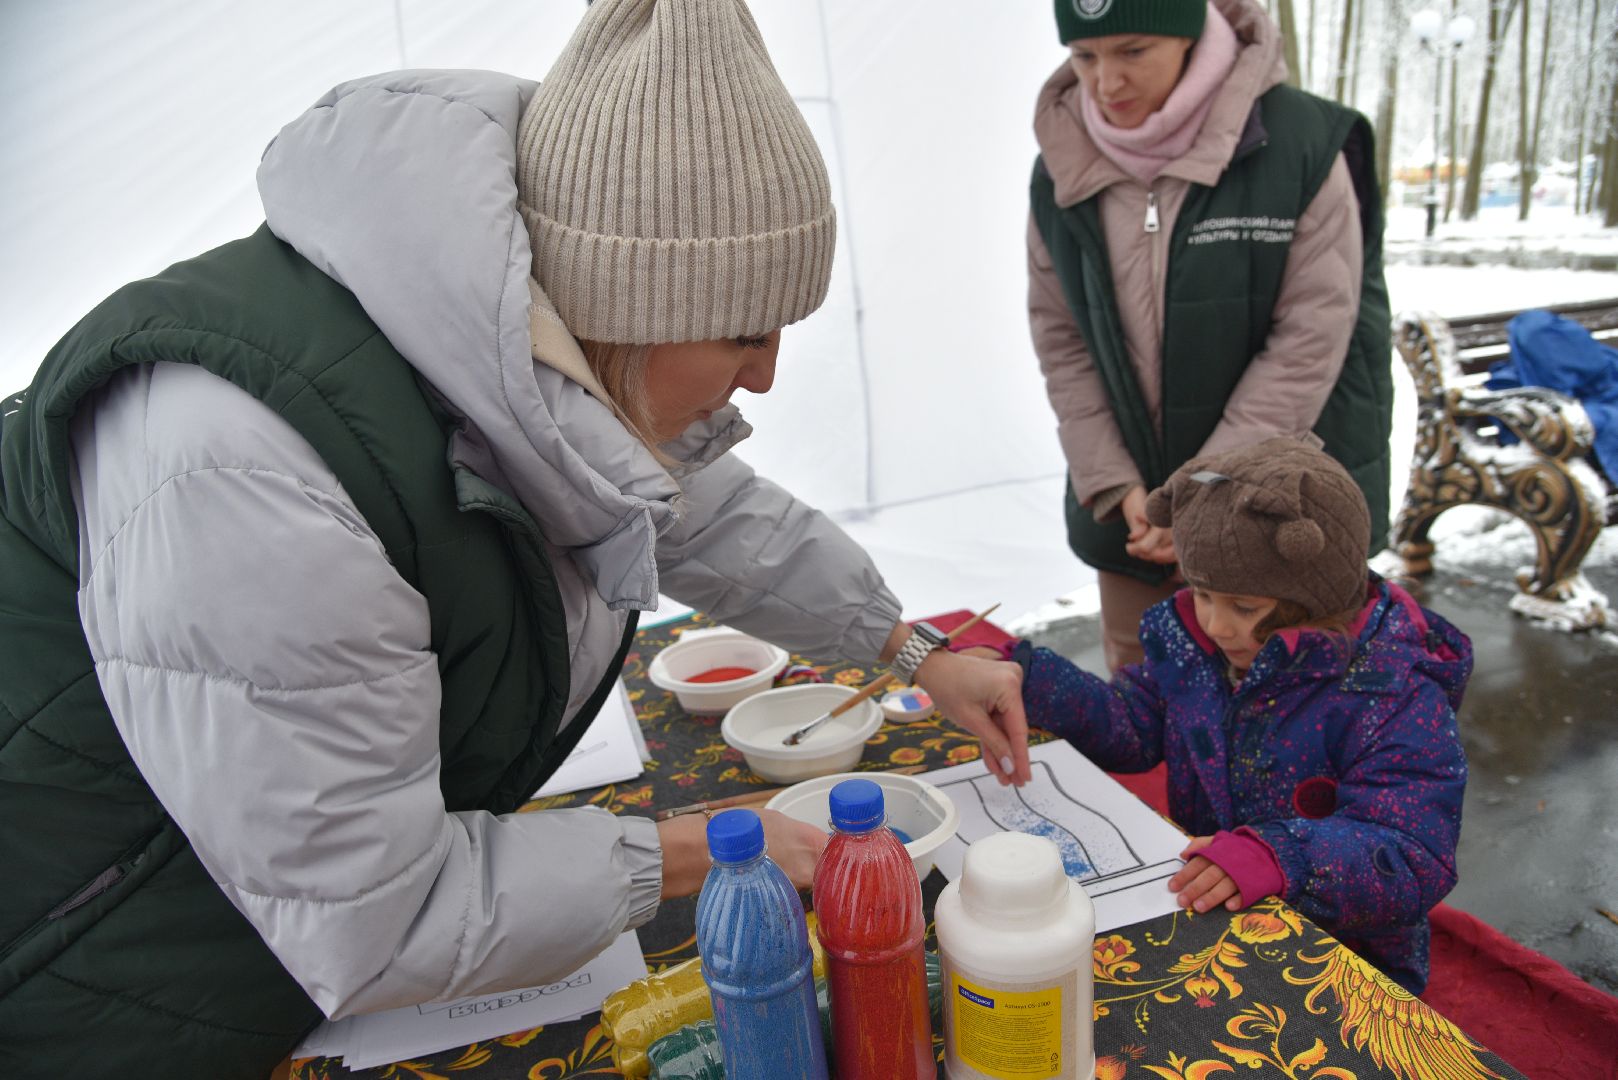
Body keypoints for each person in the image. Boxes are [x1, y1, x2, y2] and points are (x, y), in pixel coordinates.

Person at [0, 1, 1028, 1074]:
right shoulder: (253, 484)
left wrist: (911, 650)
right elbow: (380, 918)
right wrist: (696, 852)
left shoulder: (510, 339)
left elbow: (703, 509)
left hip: (259, 927)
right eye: (742, 332)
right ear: (622, 302)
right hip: (82, 962)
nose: (764, 376)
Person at [1006, 439, 1471, 995]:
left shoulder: (1394, 693)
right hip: (1215, 915)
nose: (1216, 625)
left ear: (1318, 599)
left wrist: (1281, 856)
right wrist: (1029, 681)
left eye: (1245, 607)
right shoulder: (1199, 649)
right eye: (1202, 593)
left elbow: (1412, 851)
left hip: (1342, 955)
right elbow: (1131, 722)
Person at [1028, 0, 1393, 672]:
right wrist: (1113, 482)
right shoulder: (1059, 159)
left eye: (1133, 51)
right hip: (1134, 513)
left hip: (1284, 509)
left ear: (1189, 33)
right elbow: (1062, 339)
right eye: (1084, 56)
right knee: (1144, 682)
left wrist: (1204, 494)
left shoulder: (1299, 141)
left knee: (1292, 697)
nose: (1106, 83)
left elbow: (1312, 333)